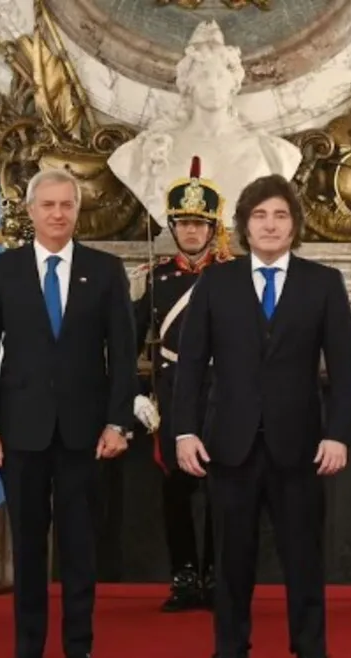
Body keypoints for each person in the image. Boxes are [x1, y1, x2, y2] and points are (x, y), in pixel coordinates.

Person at [173, 174, 351, 658]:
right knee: (231, 562)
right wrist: (184, 431)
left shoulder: (324, 283)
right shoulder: (216, 281)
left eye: (280, 215)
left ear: (295, 225)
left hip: (300, 449)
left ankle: (312, 657)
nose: (270, 225)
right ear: (244, 225)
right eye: (260, 216)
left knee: (304, 561)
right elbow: (190, 364)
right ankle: (230, 656)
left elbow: (343, 371)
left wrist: (338, 433)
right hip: (228, 448)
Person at [0, 168, 137, 658]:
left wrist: (117, 423)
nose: (58, 214)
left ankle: (78, 652)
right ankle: (27, 655)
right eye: (48, 205)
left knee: (81, 547)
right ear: (31, 210)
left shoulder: (106, 271)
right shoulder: (1, 271)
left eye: (67, 205)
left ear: (77, 210)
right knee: (26, 549)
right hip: (19, 434)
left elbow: (124, 356)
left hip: (85, 436)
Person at [132, 157, 230, 612]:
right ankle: (184, 577)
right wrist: (135, 395)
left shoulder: (236, 276)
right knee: (176, 493)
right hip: (172, 396)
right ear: (172, 225)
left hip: (223, 394)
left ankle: (216, 575)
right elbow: (129, 342)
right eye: (183, 223)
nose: (191, 232)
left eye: (199, 223)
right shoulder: (153, 279)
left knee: (221, 492)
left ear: (214, 228)